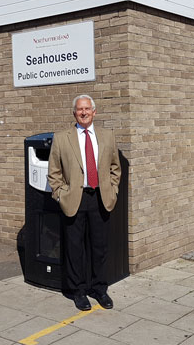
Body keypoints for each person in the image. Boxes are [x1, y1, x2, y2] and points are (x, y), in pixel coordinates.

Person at [48, 94, 121, 311]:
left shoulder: (107, 136)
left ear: (94, 111)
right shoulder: (62, 138)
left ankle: (99, 289)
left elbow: (115, 168)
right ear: (74, 113)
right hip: (74, 199)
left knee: (99, 248)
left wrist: (113, 190)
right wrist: (61, 194)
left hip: (100, 197)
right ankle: (78, 291)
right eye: (80, 109)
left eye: (87, 109)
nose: (84, 112)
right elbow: (54, 172)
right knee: (75, 248)